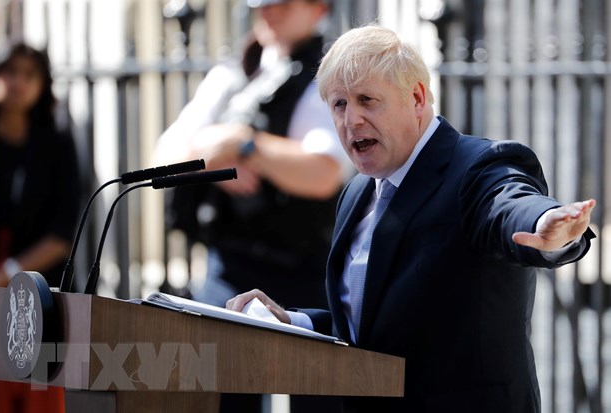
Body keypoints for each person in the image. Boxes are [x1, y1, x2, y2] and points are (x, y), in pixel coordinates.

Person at [226, 25, 597, 413]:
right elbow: (371, 332)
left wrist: (546, 224)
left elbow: (508, 202)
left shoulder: (476, 167)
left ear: (417, 97)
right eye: (339, 104)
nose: (351, 120)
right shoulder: (356, 192)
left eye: (367, 100)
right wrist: (290, 323)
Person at [155, 0, 351, 411]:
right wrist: (218, 156)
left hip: (303, 270)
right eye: (262, 4)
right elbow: (167, 156)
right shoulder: (233, 73)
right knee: (222, 397)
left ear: (317, 8)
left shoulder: (328, 76)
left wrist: (244, 144)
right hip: (229, 269)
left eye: (282, 3)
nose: (268, 11)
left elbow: (322, 172)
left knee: (318, 396)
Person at [0, 42, 81, 412]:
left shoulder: (57, 144)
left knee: (42, 393)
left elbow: (62, 232)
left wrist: (6, 274)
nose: (18, 83)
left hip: (41, 293)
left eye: (30, 75)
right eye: (10, 71)